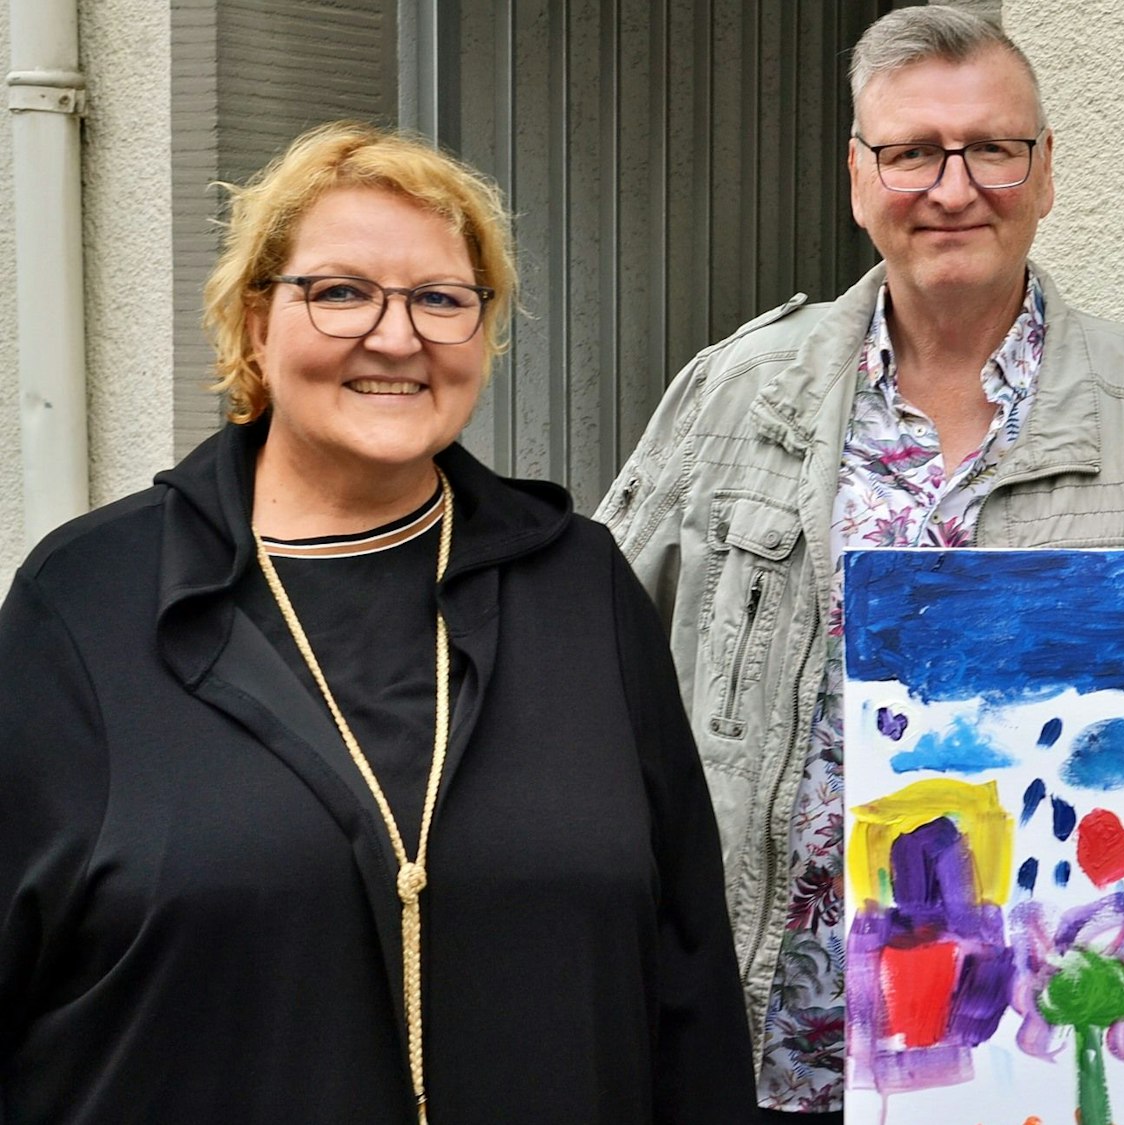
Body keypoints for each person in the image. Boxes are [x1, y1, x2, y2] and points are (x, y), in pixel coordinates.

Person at [595, 8, 1124, 1119]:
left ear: (1045, 172)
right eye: (911, 152)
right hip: (761, 1044)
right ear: (859, 177)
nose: (952, 188)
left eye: (991, 148)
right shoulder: (733, 396)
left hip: (1048, 1053)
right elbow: (594, 674)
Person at [0, 121, 753, 1123]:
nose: (396, 337)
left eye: (441, 299)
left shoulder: (582, 590)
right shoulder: (89, 600)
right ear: (255, 320)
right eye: (341, 291)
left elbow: (687, 978)